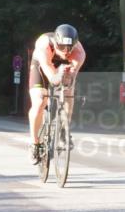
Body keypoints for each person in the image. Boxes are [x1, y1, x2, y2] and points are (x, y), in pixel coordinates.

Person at [29, 24, 86, 163]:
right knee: (39, 101)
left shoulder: (79, 52)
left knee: (69, 92)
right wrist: (58, 75)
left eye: (69, 48)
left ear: (74, 45)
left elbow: (71, 78)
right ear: (55, 43)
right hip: (42, 66)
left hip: (63, 69)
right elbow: (52, 77)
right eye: (61, 47)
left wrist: (67, 80)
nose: (66, 51)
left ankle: (64, 130)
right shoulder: (44, 45)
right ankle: (35, 144)